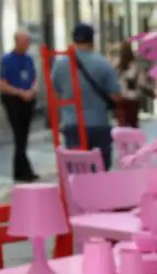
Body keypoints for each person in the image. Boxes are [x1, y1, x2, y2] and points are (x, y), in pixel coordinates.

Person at [50, 23, 120, 168]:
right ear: (92, 40)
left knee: (76, 171)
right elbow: (115, 95)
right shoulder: (103, 64)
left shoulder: (60, 64)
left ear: (73, 40)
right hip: (98, 124)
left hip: (72, 124)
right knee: (99, 171)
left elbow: (55, 94)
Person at [0, 29, 40, 182]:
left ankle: (21, 170)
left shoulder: (29, 59)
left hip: (28, 99)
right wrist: (21, 93)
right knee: (19, 135)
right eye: (24, 42)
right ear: (16, 42)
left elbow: (34, 78)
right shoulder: (7, 60)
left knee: (24, 135)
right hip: (13, 99)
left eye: (28, 42)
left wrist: (32, 90)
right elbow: (3, 85)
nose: (26, 45)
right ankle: (24, 170)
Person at [114, 42, 152, 129]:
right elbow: (142, 83)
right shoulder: (136, 66)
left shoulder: (117, 65)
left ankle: (123, 141)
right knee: (133, 124)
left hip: (121, 98)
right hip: (133, 99)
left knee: (121, 124)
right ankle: (133, 141)